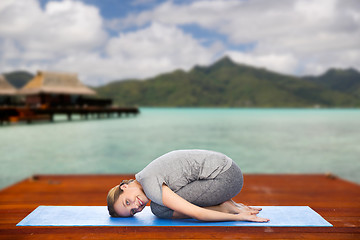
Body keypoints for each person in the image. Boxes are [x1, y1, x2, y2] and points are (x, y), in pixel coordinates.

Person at [107, 149, 269, 222]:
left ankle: (225, 207)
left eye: (127, 202)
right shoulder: (144, 175)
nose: (137, 206)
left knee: (159, 209)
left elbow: (197, 214)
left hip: (226, 178)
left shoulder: (150, 185)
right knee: (160, 206)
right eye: (133, 211)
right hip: (229, 169)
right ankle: (227, 204)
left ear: (124, 187)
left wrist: (238, 217)